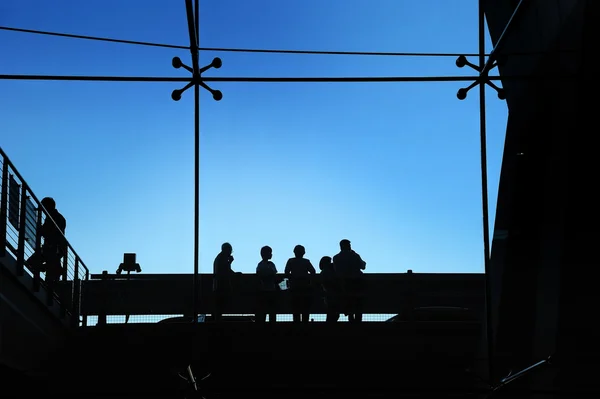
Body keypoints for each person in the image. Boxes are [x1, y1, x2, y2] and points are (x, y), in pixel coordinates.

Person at [26, 197, 67, 285]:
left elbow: (50, 232)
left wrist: (41, 229)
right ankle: (51, 270)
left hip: (53, 248)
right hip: (52, 248)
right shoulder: (55, 217)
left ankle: (50, 271)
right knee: (49, 270)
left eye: (43, 206)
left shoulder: (55, 217)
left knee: (34, 264)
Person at [333, 239, 366, 323]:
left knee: (348, 304)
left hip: (344, 284)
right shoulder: (354, 256)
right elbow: (363, 266)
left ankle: (350, 321)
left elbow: (336, 271)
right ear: (348, 246)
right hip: (357, 282)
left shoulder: (336, 257)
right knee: (358, 304)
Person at [284, 245, 316, 323]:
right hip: (305, 287)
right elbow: (313, 271)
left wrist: (291, 280)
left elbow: (286, 272)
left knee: (296, 309)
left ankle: (297, 326)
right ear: (304, 252)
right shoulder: (306, 261)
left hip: (294, 287)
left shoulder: (291, 261)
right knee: (305, 309)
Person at [212, 242, 240, 322]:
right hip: (221, 286)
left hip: (217, 286)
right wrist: (230, 263)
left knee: (219, 307)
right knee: (220, 307)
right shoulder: (222, 258)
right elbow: (225, 270)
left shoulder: (219, 257)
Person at [256, 246, 278, 323]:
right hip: (269, 290)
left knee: (265, 311)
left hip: (265, 290)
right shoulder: (270, 265)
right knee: (271, 311)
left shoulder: (260, 265)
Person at [319, 256, 340, 323]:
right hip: (332, 294)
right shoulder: (331, 271)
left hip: (327, 295)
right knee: (334, 312)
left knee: (330, 312)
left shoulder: (323, 272)